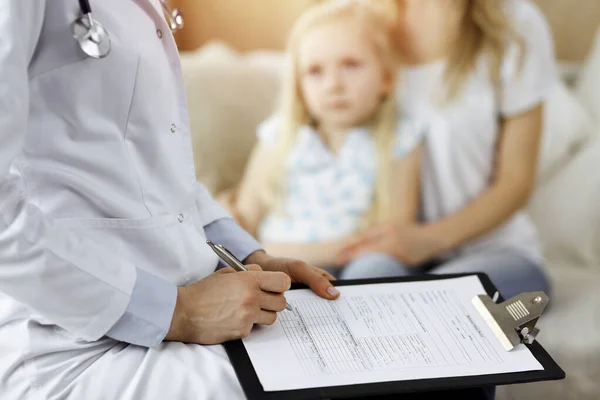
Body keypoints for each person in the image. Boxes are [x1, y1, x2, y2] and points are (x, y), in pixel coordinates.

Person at [0, 1, 341, 399]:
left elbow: (159, 172)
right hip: (73, 347)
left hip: (178, 314)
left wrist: (247, 258)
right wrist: (179, 311)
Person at [337, 0, 557, 301]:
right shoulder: (352, 17)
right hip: (391, 247)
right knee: (361, 287)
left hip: (495, 251)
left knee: (439, 300)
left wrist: (428, 240)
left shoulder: (517, 24)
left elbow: (516, 181)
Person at [225, 0, 426, 274]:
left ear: (387, 78)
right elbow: (244, 222)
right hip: (275, 268)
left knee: (378, 267)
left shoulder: (400, 140)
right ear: (299, 86)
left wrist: (321, 255)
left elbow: (392, 237)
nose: (334, 85)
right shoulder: (279, 135)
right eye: (315, 71)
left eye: (351, 65)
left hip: (352, 269)